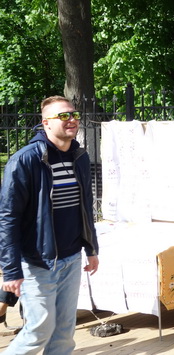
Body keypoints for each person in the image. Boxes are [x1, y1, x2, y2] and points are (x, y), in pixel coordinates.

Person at [0, 96, 100, 354]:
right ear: (46, 123)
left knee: (65, 333)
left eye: (74, 114)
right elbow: (8, 217)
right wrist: (10, 270)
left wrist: (91, 249)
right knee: (39, 330)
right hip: (38, 262)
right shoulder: (25, 160)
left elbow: (85, 206)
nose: (72, 120)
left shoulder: (79, 156)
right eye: (63, 116)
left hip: (71, 258)